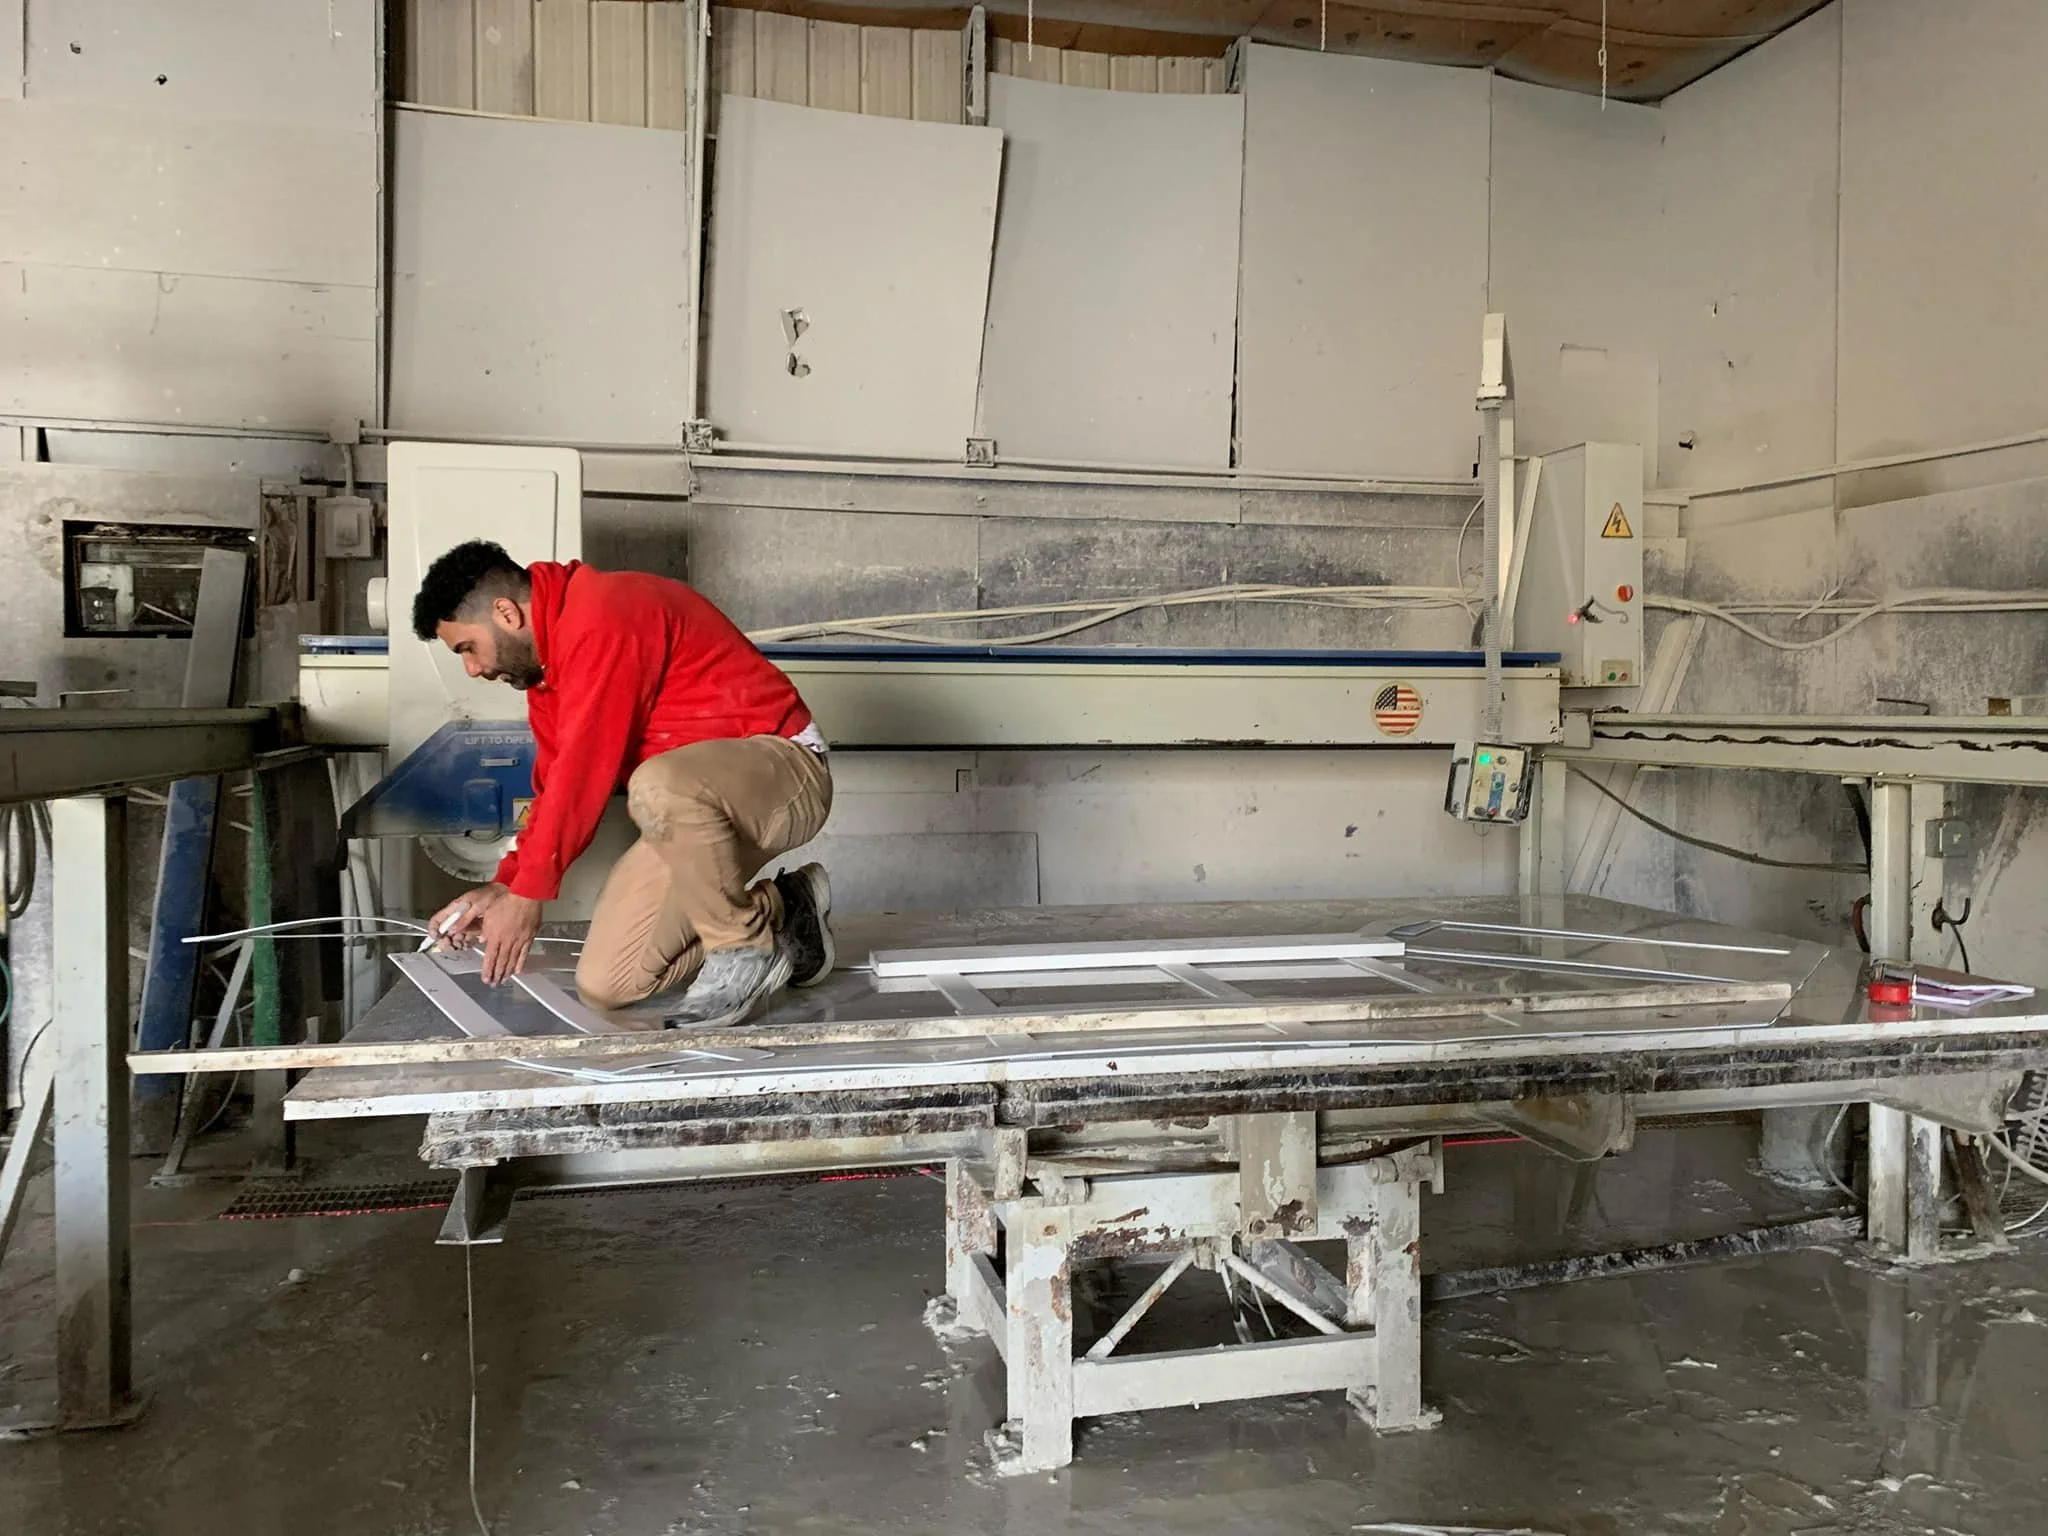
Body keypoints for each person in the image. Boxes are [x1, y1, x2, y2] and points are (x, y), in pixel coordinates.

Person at [411, 540, 834, 1028]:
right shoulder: (546, 675)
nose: (473, 669)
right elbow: (552, 786)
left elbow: (583, 774)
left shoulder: (603, 615)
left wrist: (528, 897)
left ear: (505, 613)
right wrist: (504, 885)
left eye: (468, 648)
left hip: (785, 773)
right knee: (608, 983)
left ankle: (740, 948)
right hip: (694, 818)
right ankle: (787, 909)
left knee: (655, 784)